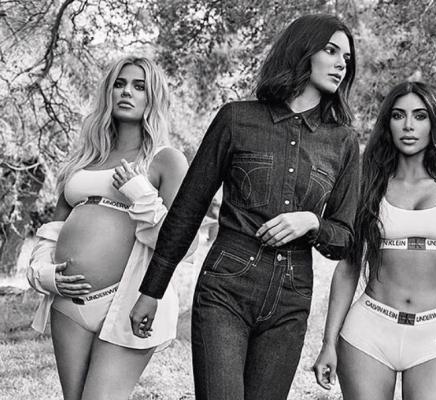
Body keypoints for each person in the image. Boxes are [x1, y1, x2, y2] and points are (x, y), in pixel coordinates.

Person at [128, 14, 361, 400]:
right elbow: (188, 208)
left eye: (347, 59)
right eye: (331, 51)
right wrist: (152, 290)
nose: (341, 64)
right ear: (302, 51)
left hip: (291, 299)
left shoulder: (343, 142)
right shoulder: (237, 119)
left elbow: (345, 238)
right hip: (226, 288)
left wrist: (311, 222)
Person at [26, 56, 187, 400]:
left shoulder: (166, 159)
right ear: (108, 92)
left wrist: (139, 193)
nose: (127, 92)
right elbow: (53, 228)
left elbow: (182, 244)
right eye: (119, 84)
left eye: (139, 86)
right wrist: (42, 273)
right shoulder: (83, 158)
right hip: (68, 301)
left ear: (153, 97)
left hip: (129, 300)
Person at [312, 81, 436, 400]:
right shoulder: (368, 186)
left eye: (420, 116)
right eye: (398, 115)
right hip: (370, 330)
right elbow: (348, 268)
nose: (408, 125)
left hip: (435, 334)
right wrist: (328, 343)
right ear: (387, 124)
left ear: (434, 123)